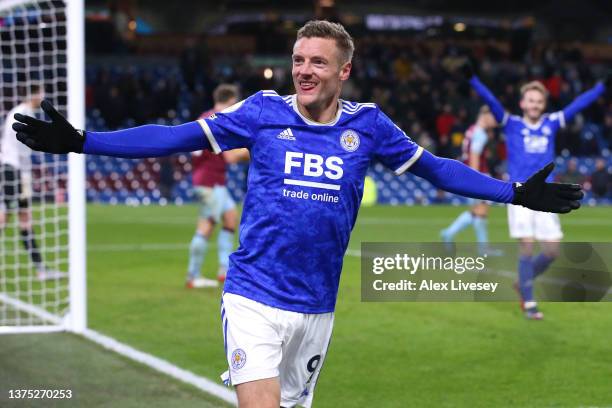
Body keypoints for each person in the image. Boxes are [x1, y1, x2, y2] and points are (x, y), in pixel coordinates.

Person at [13, 21, 582, 408]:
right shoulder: (261, 112)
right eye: (298, 61)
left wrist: (514, 193)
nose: (304, 71)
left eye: (317, 63)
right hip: (253, 296)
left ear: (344, 70)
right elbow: (176, 136)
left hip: (316, 306)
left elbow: (437, 169)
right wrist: (85, 141)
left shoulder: (370, 126)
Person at [468, 68, 606, 320]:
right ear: (523, 103)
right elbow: (492, 102)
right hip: (519, 194)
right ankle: (529, 301)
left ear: (544, 104)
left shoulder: (551, 123)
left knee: (552, 250)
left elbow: (578, 105)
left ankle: (524, 280)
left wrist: (600, 88)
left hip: (546, 195)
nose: (535, 104)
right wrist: (473, 79)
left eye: (539, 101)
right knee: (527, 247)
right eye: (530, 100)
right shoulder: (511, 123)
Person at [187, 84, 249, 288]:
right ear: (231, 101)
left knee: (230, 218)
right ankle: (193, 276)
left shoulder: (205, 117)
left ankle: (224, 269)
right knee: (207, 225)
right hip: (210, 182)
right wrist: (257, 149)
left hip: (211, 181)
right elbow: (230, 157)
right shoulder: (220, 120)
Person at [0, 85, 62, 280]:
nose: (43, 96)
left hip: (18, 172)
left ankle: (41, 269)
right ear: (33, 95)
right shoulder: (21, 113)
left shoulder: (23, 112)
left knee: (24, 218)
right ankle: (41, 269)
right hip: (12, 171)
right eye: (41, 93)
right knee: (5, 217)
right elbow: (18, 145)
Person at [440, 105, 500, 255]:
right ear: (485, 116)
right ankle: (480, 247)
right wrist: (476, 179)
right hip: (478, 175)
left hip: (469, 174)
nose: (496, 120)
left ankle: (452, 234)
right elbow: (474, 156)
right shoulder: (480, 134)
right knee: (481, 210)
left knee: (478, 212)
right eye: (493, 117)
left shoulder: (471, 130)